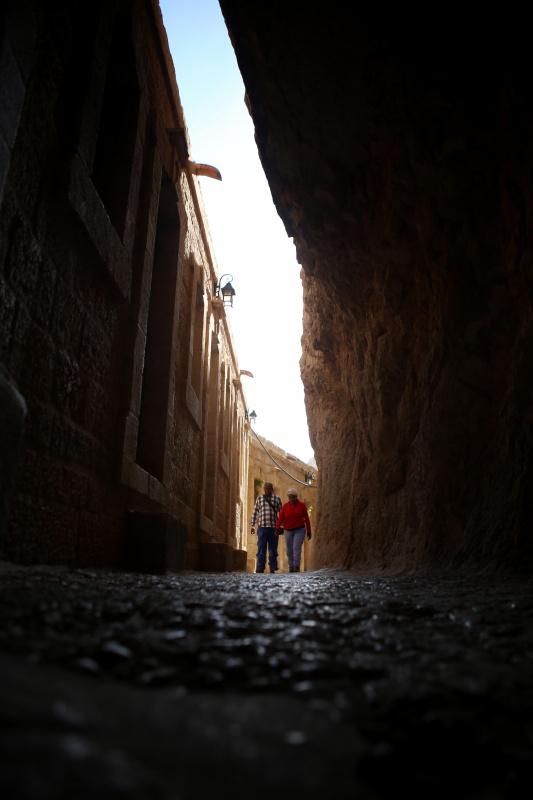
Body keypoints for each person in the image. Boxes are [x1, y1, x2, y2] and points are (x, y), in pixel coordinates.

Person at [276, 488, 312, 572]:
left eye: (293, 497)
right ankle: (291, 566)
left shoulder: (302, 505)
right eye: (290, 497)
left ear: (296, 497)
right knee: (289, 550)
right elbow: (280, 518)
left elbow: (307, 519)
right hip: (288, 530)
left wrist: (309, 531)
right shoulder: (285, 506)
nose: (291, 499)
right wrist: (277, 528)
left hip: (300, 530)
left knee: (296, 548)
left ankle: (296, 566)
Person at [250, 482, 282, 573]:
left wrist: (281, 527)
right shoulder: (259, 498)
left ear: (272, 489)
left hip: (274, 528)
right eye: (265, 488)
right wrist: (252, 526)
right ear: (264, 489)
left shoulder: (277, 499)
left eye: (268, 488)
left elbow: (281, 513)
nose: (267, 490)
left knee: (273, 549)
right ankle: (260, 568)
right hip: (262, 528)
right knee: (261, 548)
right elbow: (255, 512)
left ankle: (272, 567)